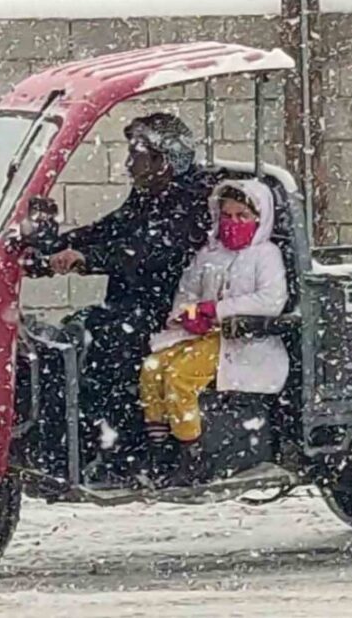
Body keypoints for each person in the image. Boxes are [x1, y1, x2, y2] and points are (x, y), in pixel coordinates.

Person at [43, 113, 214, 471]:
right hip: (132, 304)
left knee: (112, 350)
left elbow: (149, 249)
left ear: (163, 161)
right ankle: (73, 442)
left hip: (168, 311)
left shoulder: (192, 200)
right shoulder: (147, 196)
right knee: (73, 337)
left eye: (136, 156)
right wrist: (55, 246)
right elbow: (110, 229)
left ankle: (131, 453)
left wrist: (86, 258)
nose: (127, 165)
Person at [139, 178, 290, 487]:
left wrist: (219, 310)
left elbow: (271, 300)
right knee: (152, 369)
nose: (233, 223)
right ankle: (159, 449)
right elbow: (187, 291)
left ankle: (190, 453)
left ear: (258, 220)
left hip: (238, 342)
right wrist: (189, 313)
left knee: (180, 377)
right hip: (201, 335)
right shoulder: (209, 254)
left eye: (242, 217)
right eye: (227, 216)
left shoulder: (265, 255)